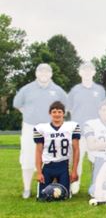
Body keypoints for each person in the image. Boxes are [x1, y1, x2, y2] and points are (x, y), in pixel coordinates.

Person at [13, 63, 68, 199]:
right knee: (27, 157)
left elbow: (66, 106)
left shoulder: (57, 90)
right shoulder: (27, 89)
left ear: (51, 74)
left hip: (51, 128)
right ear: (36, 73)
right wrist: (29, 114)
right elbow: (17, 104)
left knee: (53, 159)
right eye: (41, 72)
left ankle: (55, 188)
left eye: (46, 72)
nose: (44, 74)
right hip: (30, 127)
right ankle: (26, 189)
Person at [67, 62, 106, 194]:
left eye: (90, 70)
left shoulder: (100, 90)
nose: (87, 72)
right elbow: (69, 109)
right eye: (84, 70)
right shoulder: (74, 90)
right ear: (80, 73)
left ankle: (95, 187)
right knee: (76, 161)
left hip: (95, 133)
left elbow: (104, 110)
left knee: (95, 161)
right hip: (78, 132)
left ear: (94, 72)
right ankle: (74, 187)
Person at [34, 101, 80, 199]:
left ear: (63, 113)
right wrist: (39, 172)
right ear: (50, 113)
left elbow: (76, 150)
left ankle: (58, 183)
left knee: (64, 196)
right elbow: (38, 151)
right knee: (43, 197)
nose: (57, 114)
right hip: (47, 166)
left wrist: (74, 170)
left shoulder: (71, 127)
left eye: (59, 112)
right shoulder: (42, 128)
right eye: (54, 112)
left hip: (63, 166)